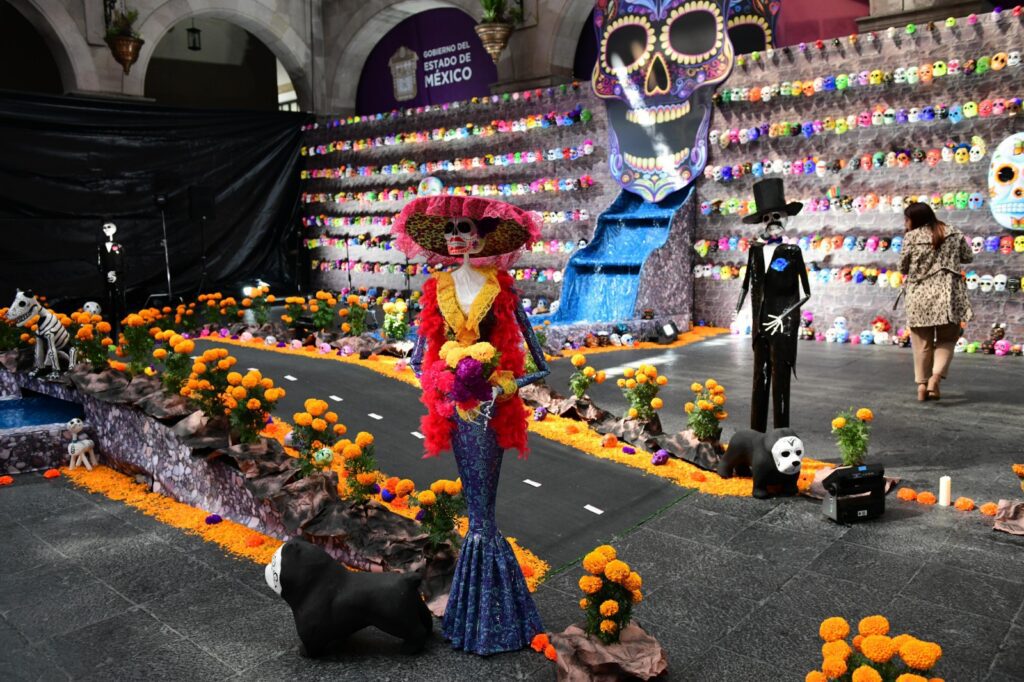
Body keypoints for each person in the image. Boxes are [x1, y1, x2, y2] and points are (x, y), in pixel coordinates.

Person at [396, 195, 546, 655]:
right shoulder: (434, 290)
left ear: (481, 237)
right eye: (450, 229)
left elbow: (540, 365)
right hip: (457, 417)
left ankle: (490, 617)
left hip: (490, 414)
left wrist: (502, 385)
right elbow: (420, 360)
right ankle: (484, 614)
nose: (456, 235)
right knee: (476, 510)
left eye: (464, 227)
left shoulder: (501, 288)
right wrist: (443, 380)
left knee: (483, 514)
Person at [898, 202, 973, 401]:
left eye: (907, 219)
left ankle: (922, 386)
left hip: (920, 295)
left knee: (921, 343)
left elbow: (902, 267)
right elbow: (968, 256)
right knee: (947, 340)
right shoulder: (953, 232)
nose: (905, 223)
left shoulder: (911, 237)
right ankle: (935, 379)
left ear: (915, 219)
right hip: (949, 295)